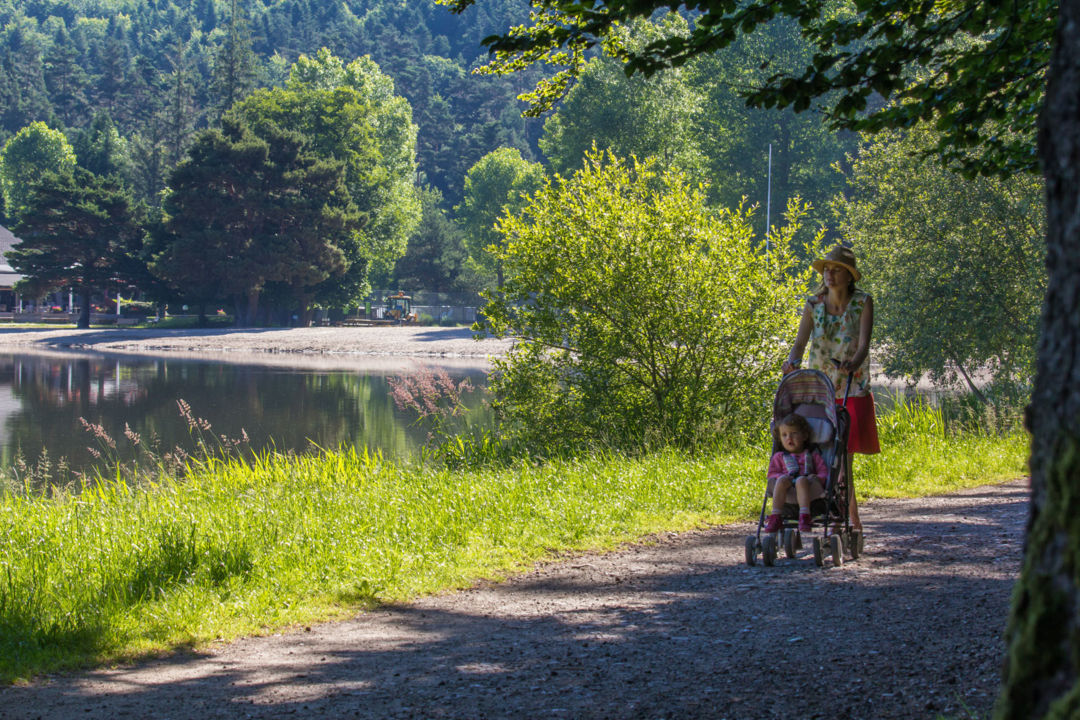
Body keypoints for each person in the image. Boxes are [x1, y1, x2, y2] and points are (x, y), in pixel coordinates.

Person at [781, 245, 880, 532]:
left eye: (836, 269)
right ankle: (825, 513)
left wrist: (852, 363)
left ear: (850, 276)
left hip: (852, 386)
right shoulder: (814, 304)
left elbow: (863, 345)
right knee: (821, 453)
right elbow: (799, 344)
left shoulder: (863, 302)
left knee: (843, 458)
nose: (829, 274)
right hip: (820, 389)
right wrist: (791, 363)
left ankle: (849, 517)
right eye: (827, 269)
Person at [764, 413, 828, 534]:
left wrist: (817, 478)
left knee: (801, 480)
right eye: (784, 435)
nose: (789, 438)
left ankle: (804, 515)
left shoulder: (812, 455)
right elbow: (772, 474)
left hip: (809, 489)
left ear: (804, 436)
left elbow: (823, 472)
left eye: (794, 434)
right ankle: (776, 516)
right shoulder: (779, 457)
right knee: (782, 479)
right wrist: (781, 477)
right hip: (786, 491)